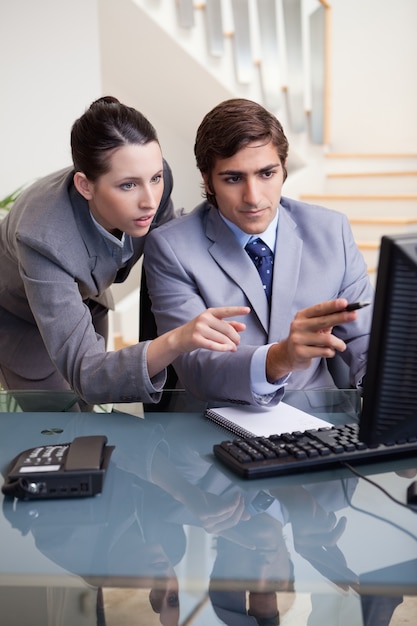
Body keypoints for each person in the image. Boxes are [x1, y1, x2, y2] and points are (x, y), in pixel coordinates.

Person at [0, 96, 249, 407]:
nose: (150, 201)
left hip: (88, 298)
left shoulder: (156, 181)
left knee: (93, 412)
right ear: (85, 186)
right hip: (20, 319)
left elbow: (174, 241)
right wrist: (176, 339)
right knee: (60, 424)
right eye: (128, 185)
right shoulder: (42, 239)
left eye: (155, 178)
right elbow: (87, 372)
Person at [143, 98, 374, 407]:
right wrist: (279, 358)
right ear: (208, 181)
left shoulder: (331, 231)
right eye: (233, 178)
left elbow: (366, 342)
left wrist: (384, 393)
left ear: (284, 170)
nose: (253, 197)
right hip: (214, 426)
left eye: (266, 174)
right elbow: (196, 365)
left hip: (320, 420)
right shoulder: (171, 247)